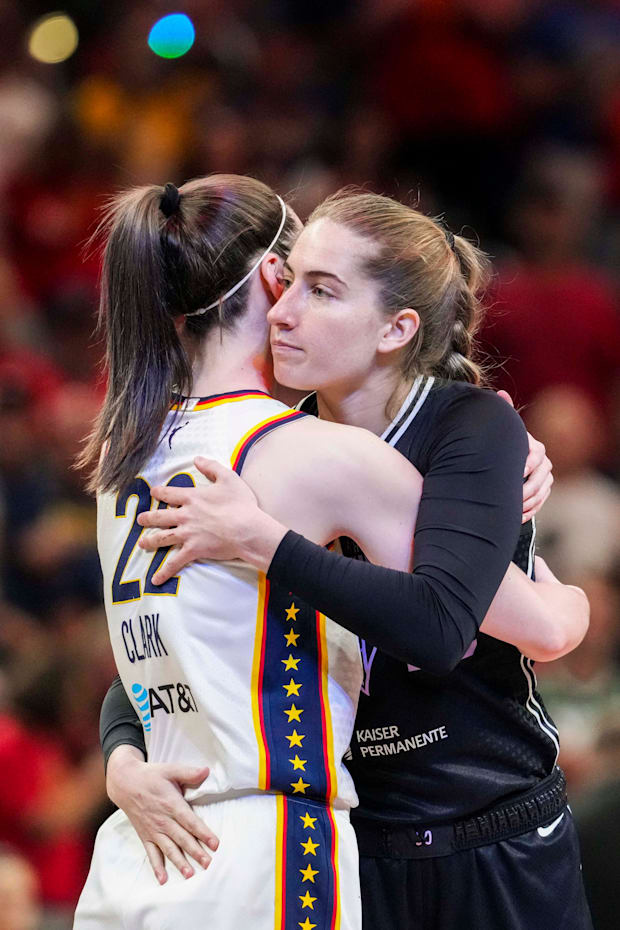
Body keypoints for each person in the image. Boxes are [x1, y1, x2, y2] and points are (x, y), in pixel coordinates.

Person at [76, 175, 580, 930]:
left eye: (320, 291)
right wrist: (121, 758)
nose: (286, 311)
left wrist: (558, 594)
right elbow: (180, 649)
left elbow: (521, 625)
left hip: (483, 821)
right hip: (328, 835)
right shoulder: (299, 446)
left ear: (396, 329)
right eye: (290, 283)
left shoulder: (463, 427)